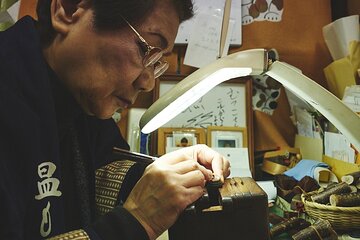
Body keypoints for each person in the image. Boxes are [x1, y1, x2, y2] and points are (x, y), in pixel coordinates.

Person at [0, 0, 230, 239]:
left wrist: (168, 175)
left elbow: (103, 169)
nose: (148, 82)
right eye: (145, 49)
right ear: (67, 10)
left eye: (156, 61)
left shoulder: (83, 97)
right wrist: (138, 221)